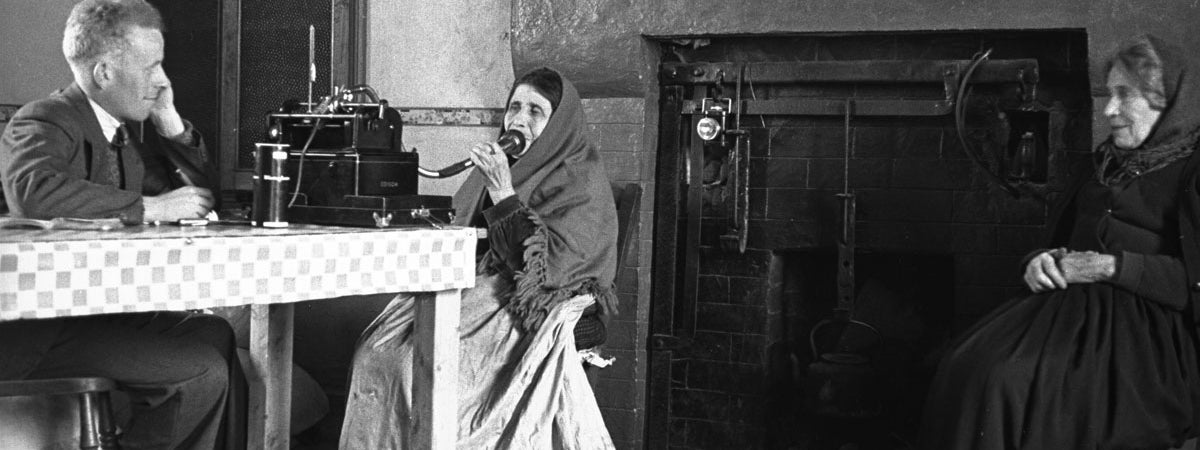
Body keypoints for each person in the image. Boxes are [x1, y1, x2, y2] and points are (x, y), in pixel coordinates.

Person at [919, 34, 1200, 449]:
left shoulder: (1192, 170)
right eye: (1108, 94)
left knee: (1008, 380)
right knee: (964, 362)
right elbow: (1060, 239)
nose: (1109, 110)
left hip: (1143, 334)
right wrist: (1038, 260)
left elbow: (1193, 281)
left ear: (1168, 100)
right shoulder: (1102, 163)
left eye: (1124, 96)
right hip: (1065, 310)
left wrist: (1110, 266)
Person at [0, 0, 243, 448]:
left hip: (96, 315)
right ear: (104, 73)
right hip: (43, 332)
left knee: (214, 333)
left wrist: (170, 124)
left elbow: (202, 198)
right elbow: (32, 192)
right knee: (201, 373)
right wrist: (151, 208)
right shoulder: (45, 118)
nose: (162, 79)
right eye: (151, 66)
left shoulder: (121, 132)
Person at [339, 67, 618, 449]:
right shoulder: (506, 167)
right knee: (376, 352)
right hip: (477, 286)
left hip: (526, 300)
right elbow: (457, 224)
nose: (518, 120)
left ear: (558, 126)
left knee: (412, 369)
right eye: (514, 107)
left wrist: (504, 191)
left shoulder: (581, 182)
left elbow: (547, 271)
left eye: (535, 112)